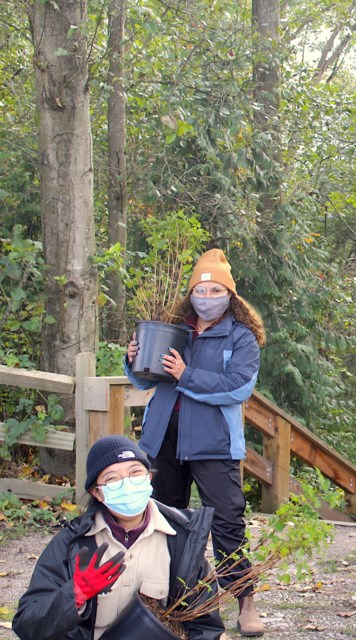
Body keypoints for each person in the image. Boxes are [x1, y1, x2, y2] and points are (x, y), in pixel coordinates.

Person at [124, 248, 268, 636]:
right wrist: (133, 359)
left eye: (215, 290)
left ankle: (245, 600)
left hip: (214, 443)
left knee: (227, 521)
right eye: (200, 291)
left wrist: (186, 375)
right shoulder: (175, 330)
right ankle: (161, 598)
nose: (207, 298)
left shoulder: (241, 338)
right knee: (161, 517)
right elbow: (145, 381)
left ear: (230, 295)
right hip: (163, 439)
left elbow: (237, 388)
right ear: (190, 294)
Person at [12, 435, 225, 640]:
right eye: (113, 479)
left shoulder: (182, 540)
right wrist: (74, 595)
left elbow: (205, 625)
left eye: (135, 473)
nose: (127, 484)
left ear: (149, 478)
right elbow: (27, 626)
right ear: (97, 492)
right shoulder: (73, 542)